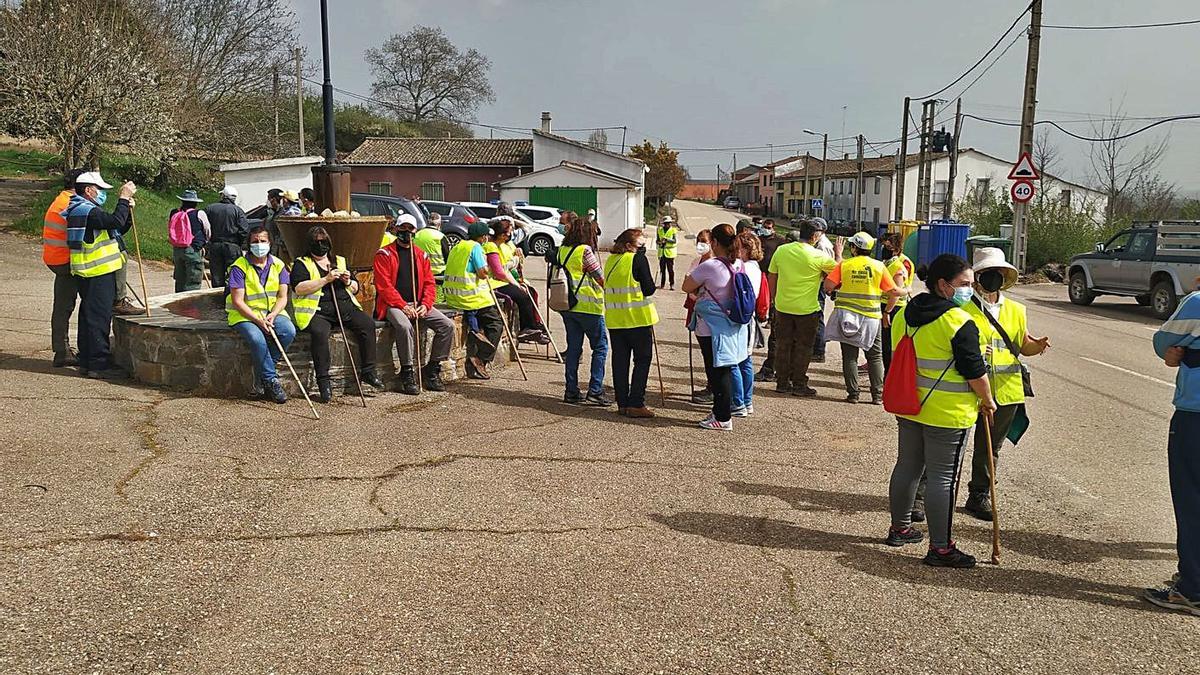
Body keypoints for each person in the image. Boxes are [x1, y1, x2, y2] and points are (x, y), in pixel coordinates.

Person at [885, 254, 996, 569]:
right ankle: (942, 548)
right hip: (948, 414)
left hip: (909, 405)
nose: (970, 290)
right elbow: (974, 371)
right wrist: (987, 400)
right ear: (943, 285)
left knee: (907, 467)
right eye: (964, 284)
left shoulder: (905, 313)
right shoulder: (959, 322)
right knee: (942, 478)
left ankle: (900, 528)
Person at [960, 247, 1049, 520]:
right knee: (952, 444)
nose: (992, 278)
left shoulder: (1016, 310)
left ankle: (980, 495)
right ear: (976, 277)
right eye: (987, 273)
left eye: (997, 273)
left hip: (1006, 391)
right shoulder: (961, 307)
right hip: (966, 388)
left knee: (990, 447)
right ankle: (929, 494)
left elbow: (1021, 346)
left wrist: (1038, 346)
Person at [1148, 284, 1200, 616]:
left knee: (1192, 499)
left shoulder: (1197, 303)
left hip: (1196, 416)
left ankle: (1192, 588)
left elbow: (1163, 341)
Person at [290, 226, 384, 402]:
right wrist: (325, 279)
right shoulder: (302, 263)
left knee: (367, 325)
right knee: (319, 333)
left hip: (345, 307)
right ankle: (323, 382)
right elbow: (299, 288)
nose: (321, 246)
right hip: (318, 311)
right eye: (316, 243)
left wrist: (348, 281)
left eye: (324, 242)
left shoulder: (340, 261)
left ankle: (369, 372)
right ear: (309, 244)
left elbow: (355, 288)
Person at [64, 171, 136, 379]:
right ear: (88, 190)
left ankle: (87, 361)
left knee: (88, 316)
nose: (102, 193)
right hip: (96, 271)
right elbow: (113, 221)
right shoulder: (88, 211)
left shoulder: (84, 209)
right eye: (100, 190)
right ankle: (98, 364)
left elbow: (116, 228)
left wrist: (127, 213)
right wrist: (122, 199)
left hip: (90, 271)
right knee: (98, 318)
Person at [375, 215, 455, 393]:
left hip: (418, 303)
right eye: (403, 228)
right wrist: (403, 306)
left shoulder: (421, 255)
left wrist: (426, 304)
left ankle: (432, 369)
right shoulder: (384, 254)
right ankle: (407, 371)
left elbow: (429, 283)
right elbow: (384, 286)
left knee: (447, 326)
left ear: (415, 231)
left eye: (410, 229)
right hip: (393, 305)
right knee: (404, 327)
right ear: (396, 229)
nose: (406, 232)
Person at [682, 223, 749, 430]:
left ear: (715, 242)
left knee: (717, 371)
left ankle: (722, 417)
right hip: (732, 324)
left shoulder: (711, 266)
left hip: (711, 326)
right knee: (726, 367)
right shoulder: (738, 264)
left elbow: (687, 286)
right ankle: (721, 411)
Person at [823, 231, 899, 405]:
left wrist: (839, 259)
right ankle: (877, 395)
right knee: (875, 357)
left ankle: (853, 394)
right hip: (871, 318)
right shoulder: (879, 266)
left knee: (850, 357)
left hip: (847, 316)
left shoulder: (845, 265)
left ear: (854, 248)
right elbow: (892, 290)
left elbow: (828, 286)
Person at [767, 220, 840, 397]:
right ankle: (799, 384)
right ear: (815, 237)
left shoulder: (782, 250)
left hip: (783, 306)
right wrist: (838, 255)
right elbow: (838, 274)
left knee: (783, 345)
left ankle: (782, 382)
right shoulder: (818, 256)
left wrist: (773, 300)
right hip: (807, 309)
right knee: (804, 347)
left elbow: (772, 277)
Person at [604, 228, 658, 418]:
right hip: (637, 319)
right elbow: (649, 289)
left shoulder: (611, 260)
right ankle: (636, 403)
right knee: (642, 360)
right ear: (629, 245)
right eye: (640, 245)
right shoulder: (637, 259)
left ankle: (622, 403)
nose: (643, 249)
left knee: (620, 362)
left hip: (616, 321)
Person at [558, 213, 609, 405]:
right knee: (600, 347)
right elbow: (599, 276)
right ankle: (595, 390)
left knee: (573, 349)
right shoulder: (585, 251)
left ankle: (571, 390)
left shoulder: (563, 249)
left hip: (567, 305)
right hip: (588, 306)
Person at [444, 220, 505, 380]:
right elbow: (482, 273)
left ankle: (476, 333)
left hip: (453, 296)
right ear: (483, 237)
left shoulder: (457, 246)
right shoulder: (476, 248)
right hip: (471, 297)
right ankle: (480, 359)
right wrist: (489, 269)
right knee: (496, 323)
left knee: (481, 321)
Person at [43, 168, 84, 367]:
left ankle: (61, 348)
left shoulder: (61, 199)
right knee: (66, 306)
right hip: (66, 260)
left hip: (55, 258)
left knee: (61, 305)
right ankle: (63, 350)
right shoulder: (72, 204)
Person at [487, 217, 550, 345]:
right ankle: (528, 328)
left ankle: (534, 325)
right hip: (495, 282)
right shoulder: (491, 246)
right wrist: (515, 282)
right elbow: (500, 271)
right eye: (508, 233)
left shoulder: (506, 245)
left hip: (505, 279)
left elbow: (510, 267)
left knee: (531, 292)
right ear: (501, 234)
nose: (510, 235)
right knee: (523, 296)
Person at [730, 231, 770, 417]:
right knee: (745, 361)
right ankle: (746, 401)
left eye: (738, 247)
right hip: (749, 316)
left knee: (735, 362)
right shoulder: (756, 268)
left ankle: (738, 401)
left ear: (745, 249)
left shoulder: (743, 267)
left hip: (740, 318)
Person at [756, 218, 788, 382]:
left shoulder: (780, 244)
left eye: (768, 227)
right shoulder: (759, 239)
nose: (766, 229)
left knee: (777, 337)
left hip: (773, 283)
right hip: (764, 277)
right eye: (764, 227)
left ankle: (772, 370)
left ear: (773, 228)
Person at [686, 229, 715, 404]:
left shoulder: (714, 263)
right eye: (698, 240)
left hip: (709, 312)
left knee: (712, 352)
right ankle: (710, 385)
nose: (700, 244)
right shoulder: (696, 261)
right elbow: (687, 283)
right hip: (695, 308)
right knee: (705, 352)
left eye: (703, 240)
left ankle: (713, 388)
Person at [204, 186, 250, 288]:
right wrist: (238, 243)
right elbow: (244, 230)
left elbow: (204, 226)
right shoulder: (238, 210)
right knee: (233, 274)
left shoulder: (210, 208)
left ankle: (217, 298)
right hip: (232, 246)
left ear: (223, 195)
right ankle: (232, 296)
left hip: (215, 246)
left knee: (216, 275)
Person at [882, 233, 915, 371]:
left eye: (888, 246)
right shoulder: (888, 262)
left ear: (896, 249)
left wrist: (887, 312)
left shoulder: (902, 263)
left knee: (890, 344)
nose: (884, 249)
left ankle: (890, 374)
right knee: (885, 344)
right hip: (887, 304)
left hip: (894, 307)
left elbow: (897, 290)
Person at [168, 190, 210, 293]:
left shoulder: (174, 213)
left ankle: (179, 303)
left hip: (177, 249)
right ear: (195, 203)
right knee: (193, 281)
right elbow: (207, 230)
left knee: (180, 279)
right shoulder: (199, 213)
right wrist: (204, 243)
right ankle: (190, 307)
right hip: (193, 249)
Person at [414, 211, 448, 278]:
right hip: (438, 272)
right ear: (439, 224)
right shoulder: (440, 236)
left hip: (420, 270)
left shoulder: (417, 235)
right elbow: (447, 255)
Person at [656, 216, 679, 290]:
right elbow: (657, 240)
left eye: (668, 223)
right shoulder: (659, 230)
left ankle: (672, 284)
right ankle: (662, 284)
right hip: (662, 252)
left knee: (670, 269)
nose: (667, 225)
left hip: (670, 253)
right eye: (666, 224)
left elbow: (674, 240)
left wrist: (666, 240)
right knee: (662, 270)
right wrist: (659, 242)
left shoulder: (673, 230)